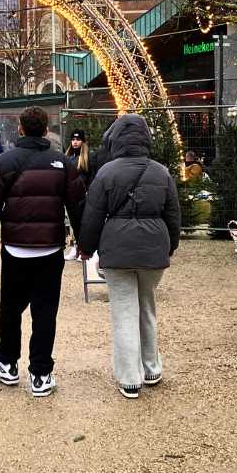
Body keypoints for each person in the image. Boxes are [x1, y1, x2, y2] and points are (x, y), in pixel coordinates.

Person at [0, 105, 86, 397]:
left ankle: (8, 363)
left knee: (10, 308)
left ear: (20, 129)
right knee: (45, 311)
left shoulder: (5, 161)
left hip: (15, 248)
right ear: (46, 130)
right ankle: (41, 372)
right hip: (49, 248)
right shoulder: (61, 163)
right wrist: (85, 242)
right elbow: (77, 206)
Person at [75, 114, 182, 400]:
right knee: (147, 308)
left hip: (117, 248)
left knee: (123, 312)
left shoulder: (106, 173)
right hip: (153, 247)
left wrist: (86, 247)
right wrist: (170, 244)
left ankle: (129, 378)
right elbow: (173, 213)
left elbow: (93, 216)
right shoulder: (161, 172)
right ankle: (152, 368)